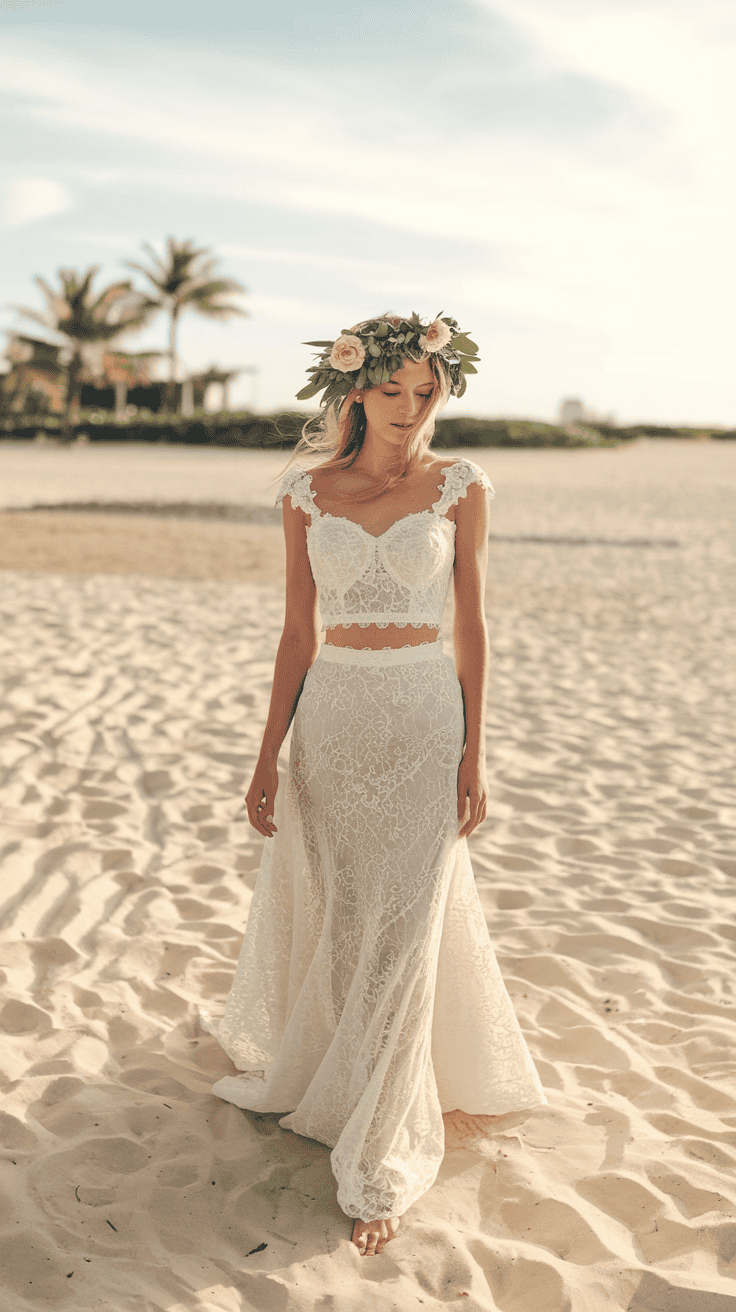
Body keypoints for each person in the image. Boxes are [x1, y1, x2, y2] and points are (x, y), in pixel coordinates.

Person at [203, 312, 546, 1257]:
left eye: (426, 392)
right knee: (351, 919)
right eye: (391, 391)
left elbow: (473, 626)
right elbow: (294, 635)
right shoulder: (307, 495)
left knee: (407, 923)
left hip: (424, 720)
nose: (409, 409)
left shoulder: (462, 485)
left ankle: (384, 1148)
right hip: (334, 725)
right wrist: (267, 753)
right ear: (350, 390)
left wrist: (477, 752)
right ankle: (352, 1080)